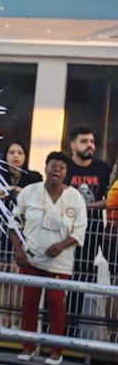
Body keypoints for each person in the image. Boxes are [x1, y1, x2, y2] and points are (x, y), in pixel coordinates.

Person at [11, 152, 87, 365]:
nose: (57, 171)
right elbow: (14, 222)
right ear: (45, 168)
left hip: (59, 263)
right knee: (29, 303)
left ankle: (56, 351)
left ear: (66, 173)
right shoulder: (30, 192)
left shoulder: (75, 197)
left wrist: (61, 245)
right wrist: (19, 250)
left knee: (55, 305)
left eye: (62, 168)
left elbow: (80, 230)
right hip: (31, 260)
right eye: (53, 166)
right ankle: (28, 347)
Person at [0, 141, 43, 328]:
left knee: (18, 280)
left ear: (25, 156)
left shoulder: (33, 177)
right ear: (6, 156)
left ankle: (17, 324)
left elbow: (38, 196)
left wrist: (17, 191)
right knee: (2, 279)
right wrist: (10, 191)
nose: (16, 155)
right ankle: (4, 323)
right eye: (12, 152)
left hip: (24, 234)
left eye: (20, 152)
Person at [63, 124, 112, 337]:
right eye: (84, 141)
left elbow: (108, 200)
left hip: (92, 231)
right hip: (64, 231)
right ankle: (53, 328)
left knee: (81, 277)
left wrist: (86, 206)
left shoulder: (103, 168)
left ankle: (71, 330)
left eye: (92, 141)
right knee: (59, 277)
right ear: (72, 145)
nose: (90, 145)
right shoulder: (64, 166)